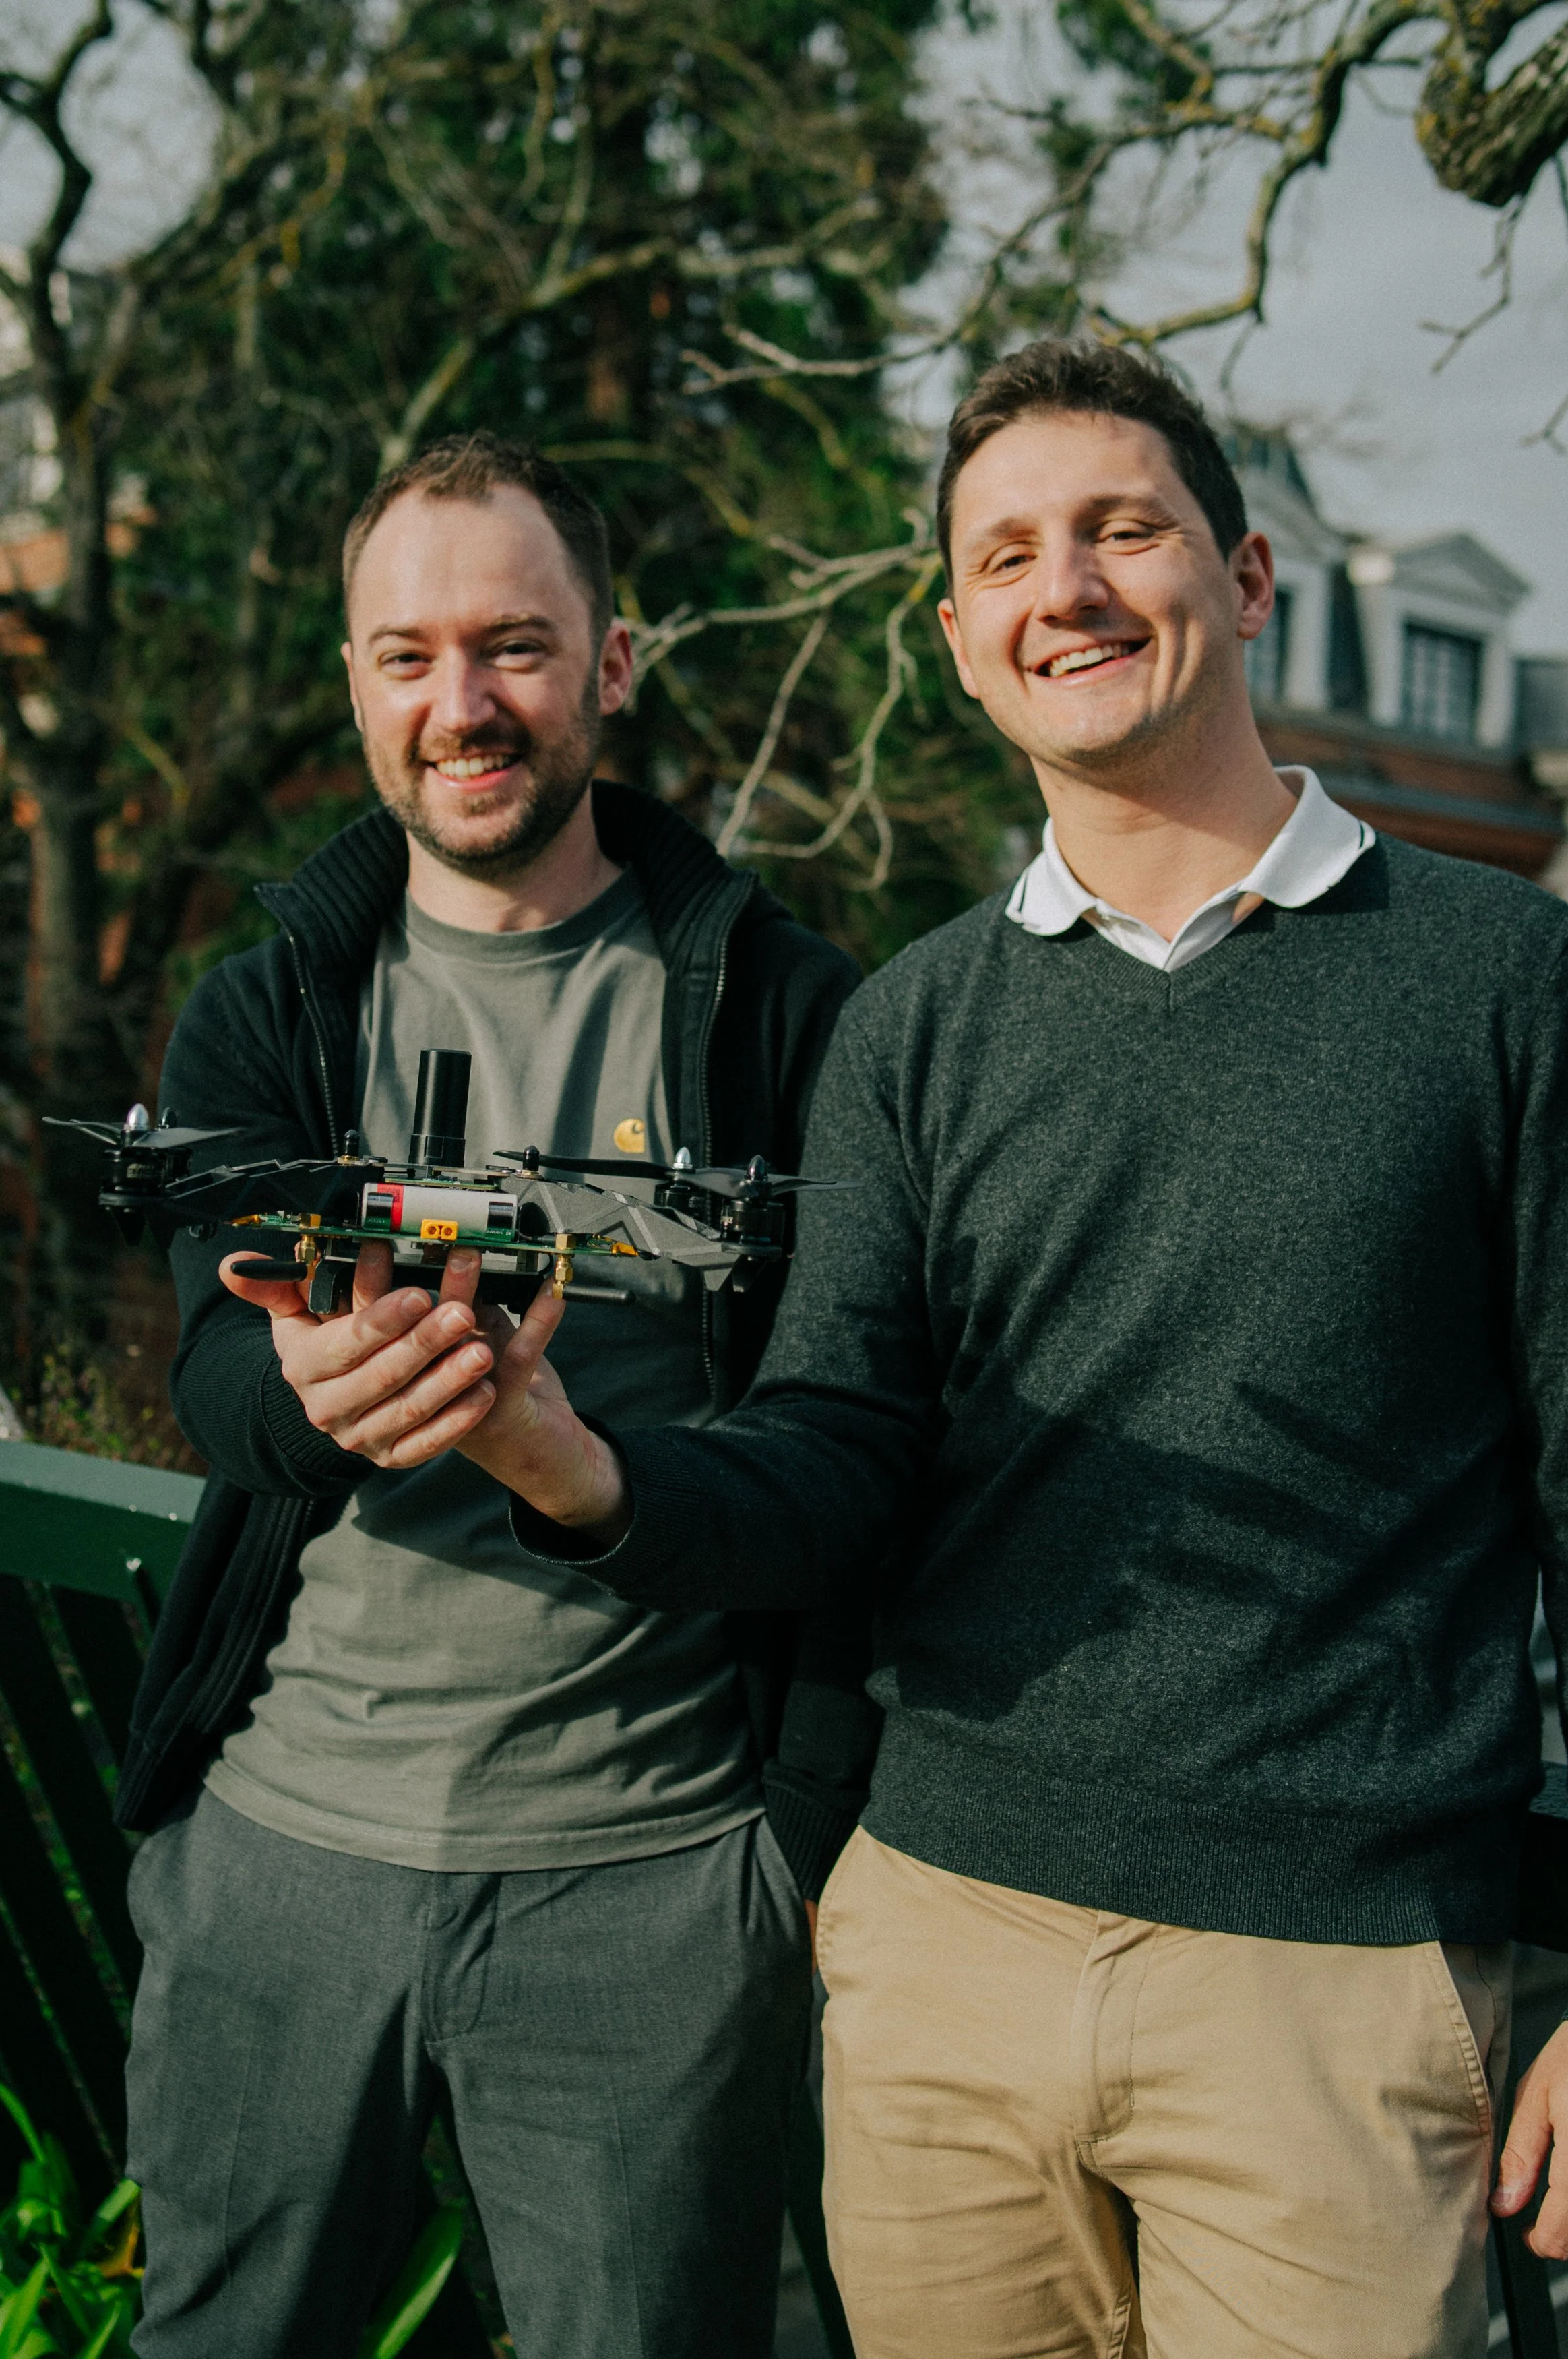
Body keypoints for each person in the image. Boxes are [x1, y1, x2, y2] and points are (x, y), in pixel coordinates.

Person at [368, 345, 1568, 2359]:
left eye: (1120, 530)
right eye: (1003, 556)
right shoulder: (912, 1026)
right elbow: (837, 1448)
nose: (1061, 587)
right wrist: (570, 1463)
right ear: (959, 644)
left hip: (1330, 1989)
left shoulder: (1506, 979)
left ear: (1247, 578)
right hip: (940, 1957)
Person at [118, 432, 873, 2359]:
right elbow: (214, 1368)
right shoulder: (268, 1003)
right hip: (278, 1853)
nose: (459, 703)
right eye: (408, 655)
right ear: (357, 681)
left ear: (611, 663)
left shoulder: (791, 1014)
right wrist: (304, 1389)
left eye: (514, 646)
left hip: (655, 1880)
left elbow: (851, 1459)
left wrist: (585, 1482)